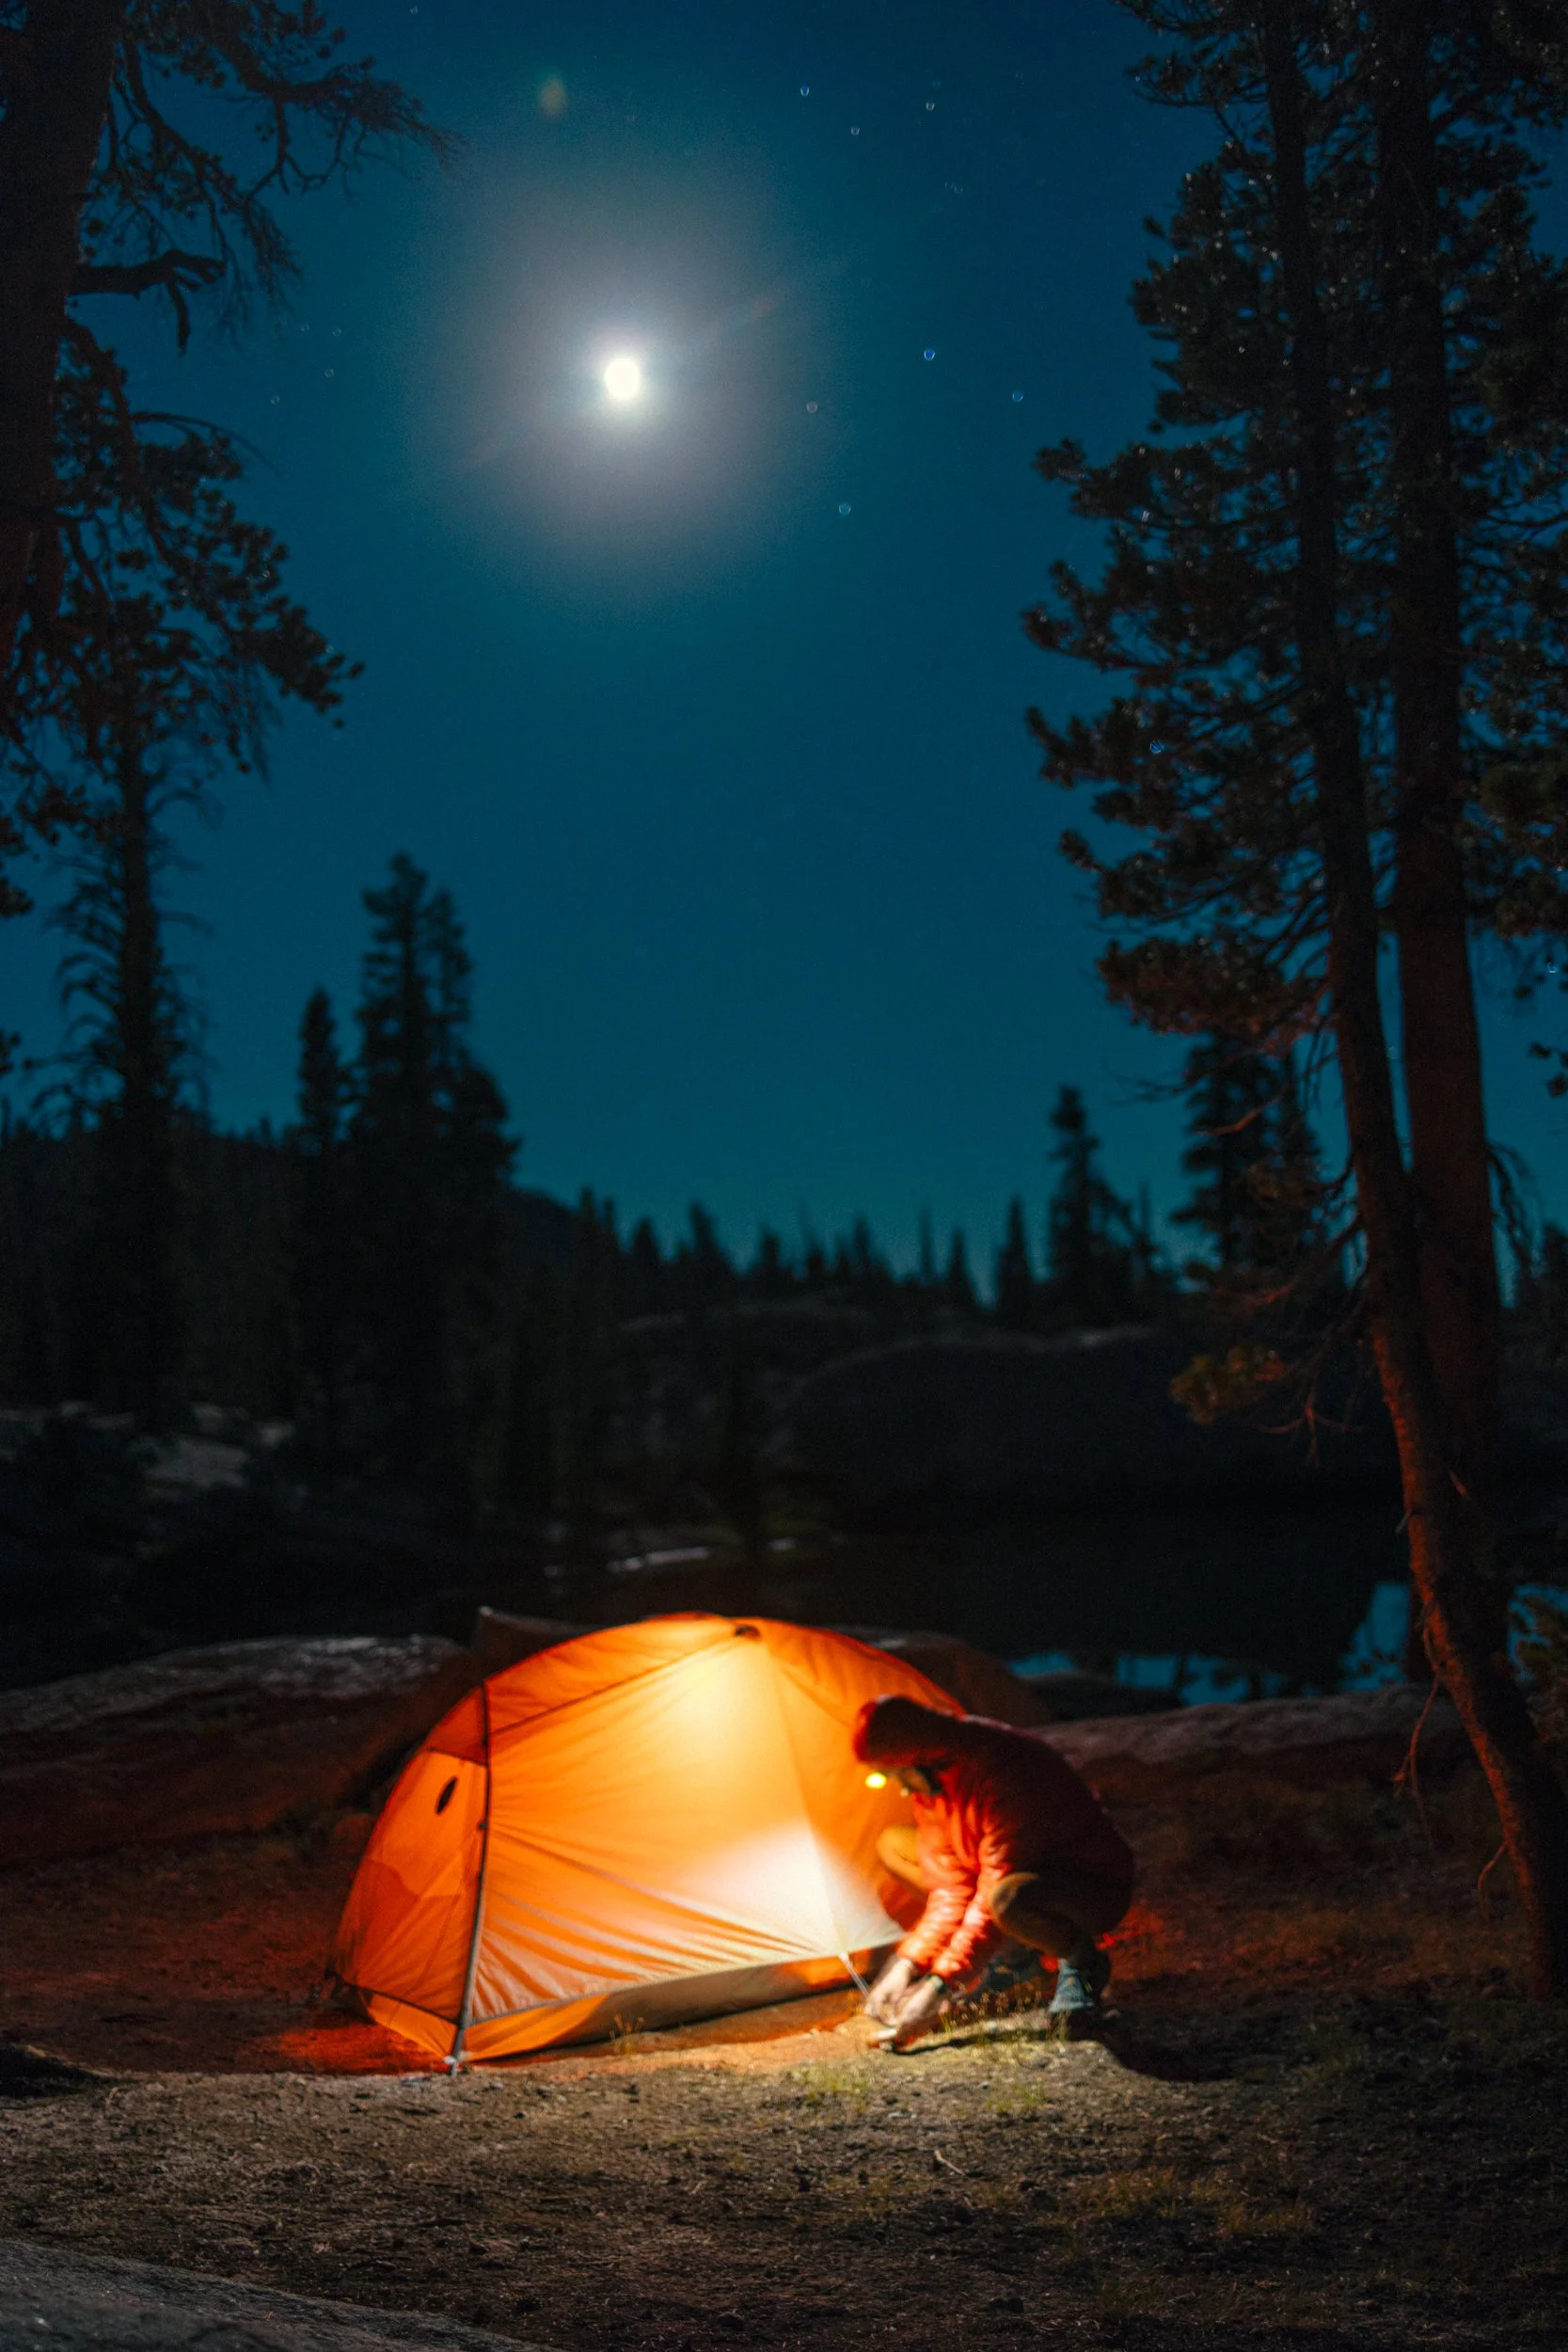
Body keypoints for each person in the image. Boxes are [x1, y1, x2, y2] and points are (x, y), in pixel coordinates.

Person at [853, 1693, 1134, 2049]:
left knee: (1008, 1898)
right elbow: (950, 1890)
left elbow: (992, 1888)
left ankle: (1080, 1960)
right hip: (1011, 1878)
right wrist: (907, 1965)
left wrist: (942, 1985)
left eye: (895, 1774)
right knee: (895, 1844)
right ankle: (1018, 1959)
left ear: (919, 1756)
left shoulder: (1005, 1768)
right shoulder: (934, 1782)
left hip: (1090, 1888)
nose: (902, 1788)